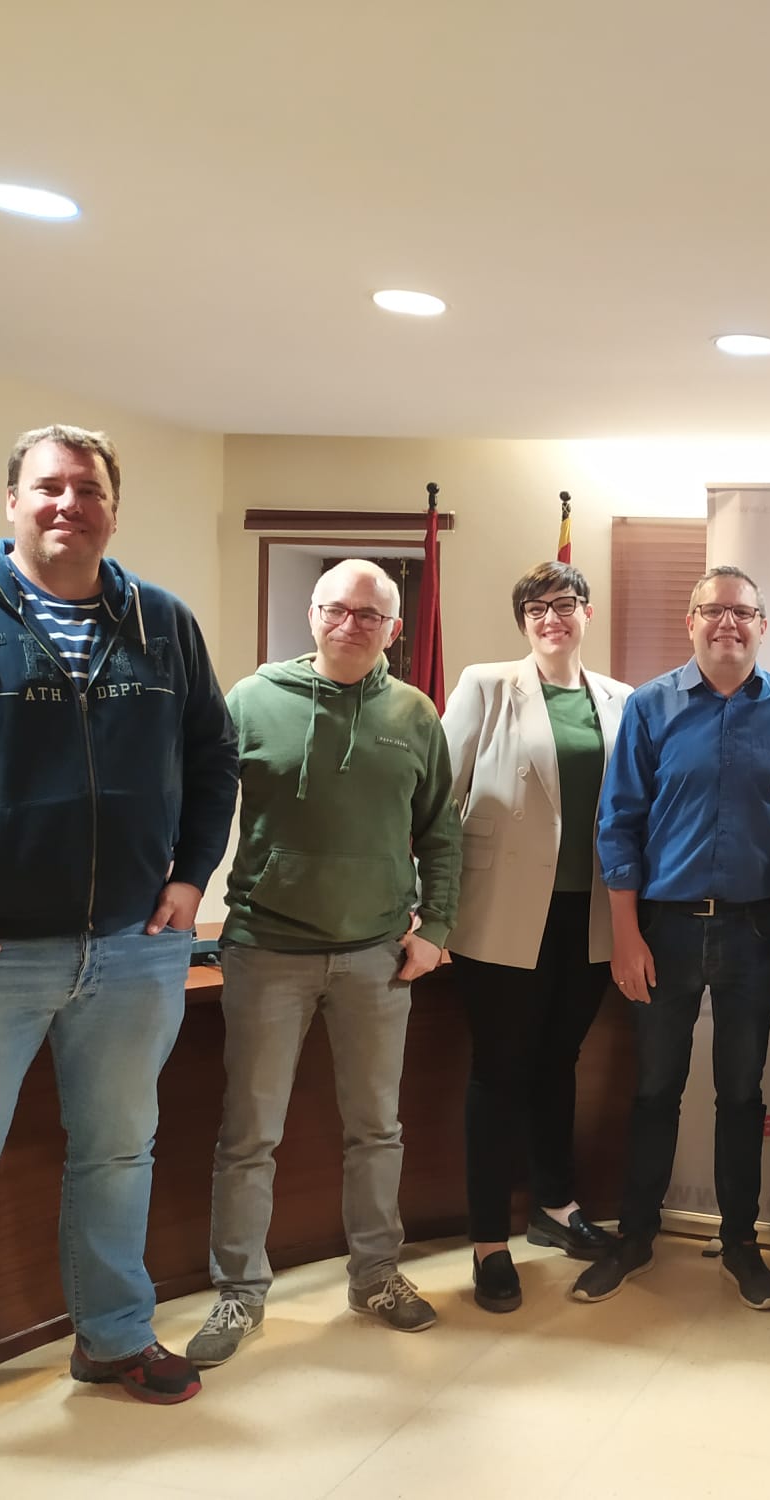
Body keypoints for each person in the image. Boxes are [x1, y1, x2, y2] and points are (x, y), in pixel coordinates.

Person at [0, 425, 238, 1497]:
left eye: (89, 488)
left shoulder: (159, 622)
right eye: (48, 486)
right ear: (12, 501)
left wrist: (190, 876)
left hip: (132, 948)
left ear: (113, 508)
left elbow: (212, 756)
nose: (68, 503)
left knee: (119, 1153)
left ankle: (113, 1339)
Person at [185, 560, 460, 1367]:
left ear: (394, 631)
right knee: (249, 1135)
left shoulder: (414, 713)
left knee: (377, 1130)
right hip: (266, 951)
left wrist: (437, 926)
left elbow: (441, 831)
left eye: (370, 615)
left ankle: (375, 1277)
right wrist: (177, 894)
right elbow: (198, 809)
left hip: (376, 956)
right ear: (312, 615)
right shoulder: (252, 699)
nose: (351, 625)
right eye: (337, 609)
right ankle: (240, 1293)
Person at [575, 565, 770, 1308]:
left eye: (742, 612)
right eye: (713, 611)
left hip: (752, 931)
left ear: (762, 626)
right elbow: (618, 822)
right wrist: (626, 934)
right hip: (665, 931)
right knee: (655, 1089)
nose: (727, 624)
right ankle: (636, 1236)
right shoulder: (650, 708)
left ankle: (740, 1242)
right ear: (691, 622)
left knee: (741, 1094)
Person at [439, 561, 632, 1313]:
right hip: (500, 914)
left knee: (559, 1062)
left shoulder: (620, 699)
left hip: (589, 916)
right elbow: (438, 798)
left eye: (566, 604)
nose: (553, 617)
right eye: (537, 607)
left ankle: (555, 1206)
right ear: (523, 621)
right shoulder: (487, 686)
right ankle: (489, 1242)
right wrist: (429, 910)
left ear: (587, 613)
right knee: (498, 1072)